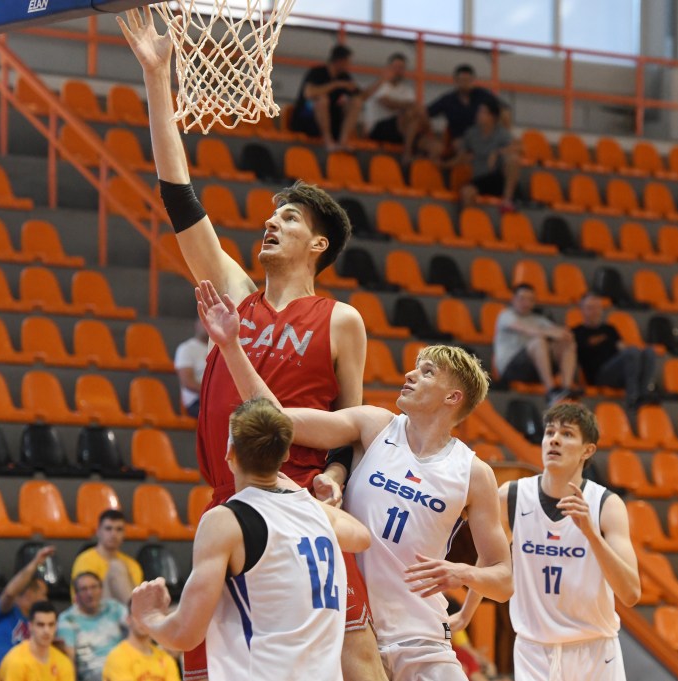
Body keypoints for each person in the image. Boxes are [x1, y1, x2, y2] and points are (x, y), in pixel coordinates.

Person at [117, 8, 378, 681]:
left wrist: (337, 478)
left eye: (287, 217)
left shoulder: (341, 318)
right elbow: (180, 198)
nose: (271, 220)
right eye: (270, 213)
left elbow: (351, 426)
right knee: (204, 663)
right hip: (230, 497)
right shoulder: (233, 289)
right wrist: (157, 78)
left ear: (318, 243)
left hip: (297, 501)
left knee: (355, 653)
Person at [198, 279, 512, 681]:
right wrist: (230, 347)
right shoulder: (374, 425)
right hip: (351, 631)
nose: (410, 375)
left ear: (453, 398)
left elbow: (504, 579)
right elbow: (277, 418)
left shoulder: (473, 473)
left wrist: (463, 577)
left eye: (427, 372)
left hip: (423, 640)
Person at [128, 397, 372, 681]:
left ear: (230, 453)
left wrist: (149, 617)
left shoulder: (225, 521)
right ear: (284, 456)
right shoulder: (317, 515)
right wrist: (301, 496)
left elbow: (185, 635)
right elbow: (361, 538)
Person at [488, 403, 640, 681]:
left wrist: (591, 535)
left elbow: (630, 593)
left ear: (587, 450)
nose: (554, 439)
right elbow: (490, 562)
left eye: (567, 434)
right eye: (549, 432)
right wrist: (465, 612)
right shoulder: (511, 496)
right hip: (533, 650)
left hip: (594, 651)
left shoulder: (606, 505)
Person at [493, 284, 580, 403]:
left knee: (567, 342)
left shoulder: (538, 319)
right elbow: (525, 329)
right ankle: (551, 390)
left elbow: (561, 333)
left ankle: (566, 388)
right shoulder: (506, 315)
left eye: (530, 299)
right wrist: (549, 333)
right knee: (538, 341)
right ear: (513, 299)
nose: (526, 303)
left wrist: (563, 334)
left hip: (535, 368)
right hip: (511, 368)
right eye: (522, 298)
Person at [571, 293, 657, 408]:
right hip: (598, 375)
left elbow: (622, 348)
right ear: (582, 310)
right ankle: (633, 397)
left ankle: (643, 393)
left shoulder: (610, 329)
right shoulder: (577, 332)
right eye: (590, 308)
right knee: (632, 352)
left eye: (598, 308)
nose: (595, 311)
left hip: (618, 371)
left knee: (649, 352)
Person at [0, 546, 53, 672]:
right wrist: (35, 563)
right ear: (30, 593)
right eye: (43, 594)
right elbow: (9, 593)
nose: (46, 600)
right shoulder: (6, 609)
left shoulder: (38, 624)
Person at [288, 44, 371, 151]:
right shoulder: (317, 72)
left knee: (356, 102)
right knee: (322, 100)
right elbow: (309, 93)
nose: (349, 65)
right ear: (340, 61)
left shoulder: (344, 77)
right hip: (307, 118)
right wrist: (336, 84)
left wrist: (381, 81)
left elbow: (362, 96)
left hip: (331, 121)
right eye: (348, 62)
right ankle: (328, 142)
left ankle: (343, 140)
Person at [449, 100, 519, 210]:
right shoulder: (471, 133)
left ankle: (507, 200)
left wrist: (497, 152)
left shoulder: (501, 133)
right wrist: (445, 163)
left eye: (483, 112)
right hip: (480, 178)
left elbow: (520, 148)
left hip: (497, 177)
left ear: (492, 117)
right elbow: (460, 154)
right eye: (479, 111)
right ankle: (471, 223)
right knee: (466, 192)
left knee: (513, 159)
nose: (478, 114)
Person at [58, 572, 128, 681]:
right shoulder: (67, 619)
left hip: (124, 670)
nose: (90, 593)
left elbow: (138, 627)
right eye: (84, 589)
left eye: (94, 587)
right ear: (76, 595)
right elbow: (68, 661)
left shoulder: (114, 608)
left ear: (101, 589)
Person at [71, 510, 143, 603]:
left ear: (124, 533)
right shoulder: (84, 560)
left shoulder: (133, 564)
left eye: (119, 529)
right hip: (96, 612)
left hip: (123, 612)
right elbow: (81, 598)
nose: (113, 534)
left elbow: (136, 595)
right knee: (116, 567)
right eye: (108, 529)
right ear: (98, 531)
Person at [363, 53, 424, 156]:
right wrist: (407, 105)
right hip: (377, 129)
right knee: (408, 114)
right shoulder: (380, 85)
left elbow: (415, 108)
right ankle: (408, 152)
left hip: (400, 129)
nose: (398, 71)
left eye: (401, 68)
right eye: (395, 67)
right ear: (388, 68)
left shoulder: (407, 89)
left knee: (433, 145)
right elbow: (387, 103)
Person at [0, 602, 74, 681]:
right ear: (30, 626)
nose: (46, 631)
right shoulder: (15, 661)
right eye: (40, 624)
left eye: (51, 624)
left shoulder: (63, 662)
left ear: (56, 627)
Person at [426, 64, 498, 142]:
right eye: (462, 80)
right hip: (458, 140)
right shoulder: (448, 100)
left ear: (473, 80)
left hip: (482, 138)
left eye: (469, 80)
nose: (465, 84)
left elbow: (503, 110)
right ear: (456, 81)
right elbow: (427, 112)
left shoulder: (484, 96)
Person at [102, 610, 180, 681]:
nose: (142, 621)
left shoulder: (166, 658)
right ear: (128, 619)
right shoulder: (117, 657)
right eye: (138, 616)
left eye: (147, 616)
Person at [174, 320, 209, 418]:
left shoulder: (220, 348)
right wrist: (212, 393)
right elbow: (188, 382)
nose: (208, 324)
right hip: (197, 401)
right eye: (205, 321)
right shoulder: (186, 348)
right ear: (197, 324)